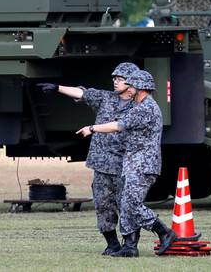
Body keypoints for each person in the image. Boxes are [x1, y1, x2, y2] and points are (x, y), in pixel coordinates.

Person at [37, 62, 139, 256]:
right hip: (101, 165)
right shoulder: (106, 98)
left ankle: (130, 246)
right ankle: (112, 244)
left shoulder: (140, 106)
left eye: (120, 79)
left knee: (128, 206)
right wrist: (57, 88)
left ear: (132, 82)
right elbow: (82, 93)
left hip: (125, 166)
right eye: (114, 78)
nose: (115, 82)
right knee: (103, 205)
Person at [76, 69, 177, 257]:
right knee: (127, 203)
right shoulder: (140, 106)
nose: (127, 89)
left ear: (140, 88)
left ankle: (165, 233)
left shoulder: (145, 108)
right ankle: (130, 248)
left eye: (131, 85)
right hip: (134, 164)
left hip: (142, 165)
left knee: (130, 204)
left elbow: (117, 125)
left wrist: (92, 128)